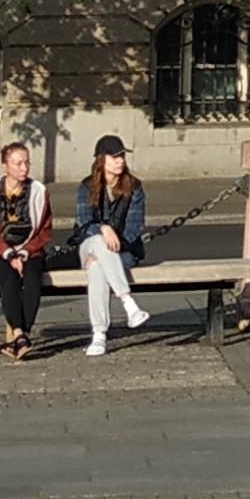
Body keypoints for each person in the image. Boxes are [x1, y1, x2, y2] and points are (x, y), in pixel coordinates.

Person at [0, 140, 53, 360]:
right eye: (18, 163)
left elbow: (44, 231)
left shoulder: (38, 192)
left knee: (34, 277)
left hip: (30, 250)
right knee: (9, 278)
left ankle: (19, 337)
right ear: (5, 166)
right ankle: (19, 334)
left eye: (27, 163)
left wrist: (24, 253)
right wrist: (9, 254)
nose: (24, 168)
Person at [75, 136, 151, 355]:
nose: (120, 161)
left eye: (122, 156)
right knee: (98, 242)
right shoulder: (86, 186)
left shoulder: (135, 187)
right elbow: (83, 223)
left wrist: (110, 248)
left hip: (124, 251)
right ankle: (128, 304)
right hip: (89, 245)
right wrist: (104, 229)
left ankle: (99, 335)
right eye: (114, 156)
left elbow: (134, 228)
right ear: (102, 159)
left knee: (98, 266)